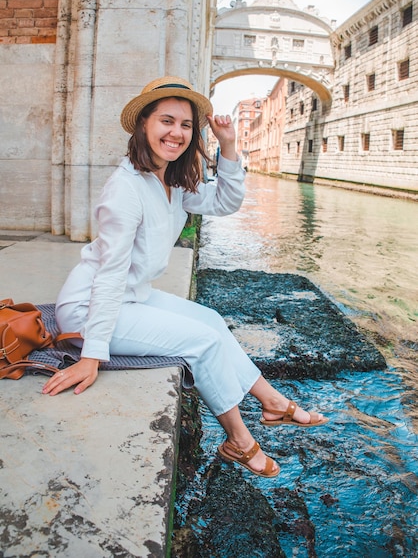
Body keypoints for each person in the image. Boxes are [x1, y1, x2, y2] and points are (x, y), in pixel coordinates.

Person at [42, 76, 328, 478]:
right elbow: (108, 275)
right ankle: (240, 443)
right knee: (202, 341)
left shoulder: (172, 181)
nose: (176, 132)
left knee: (210, 319)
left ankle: (273, 403)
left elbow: (226, 202)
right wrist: (92, 355)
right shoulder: (125, 190)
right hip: (90, 307)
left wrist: (228, 145)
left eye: (186, 125)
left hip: (134, 295)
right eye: (166, 121)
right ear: (144, 124)